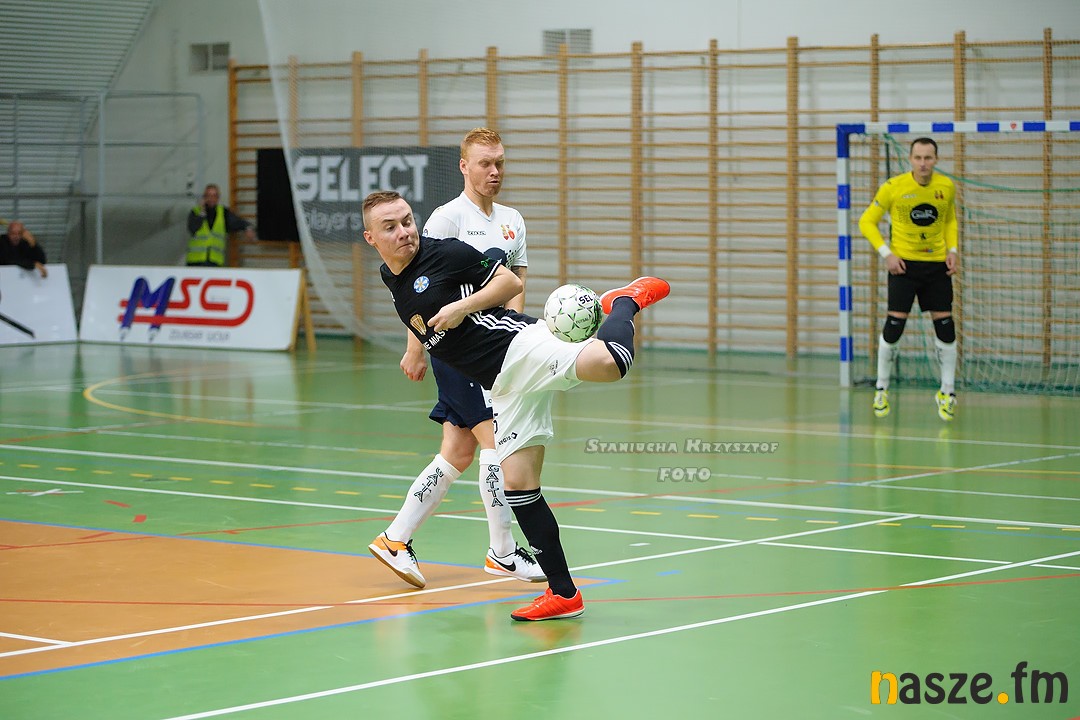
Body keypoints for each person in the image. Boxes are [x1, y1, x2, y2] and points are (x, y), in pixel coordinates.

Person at [362, 188, 669, 621]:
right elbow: (417, 314)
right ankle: (564, 594)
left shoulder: (444, 253)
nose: (404, 232)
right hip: (503, 384)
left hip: (517, 349)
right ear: (371, 238)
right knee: (520, 486)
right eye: (390, 227)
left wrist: (460, 308)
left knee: (612, 362)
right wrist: (416, 347)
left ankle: (623, 302)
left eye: (407, 221)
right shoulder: (390, 274)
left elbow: (510, 282)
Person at [369, 128, 545, 589]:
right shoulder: (446, 219)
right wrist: (416, 349)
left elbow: (515, 278)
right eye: (485, 163)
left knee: (458, 450)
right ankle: (502, 553)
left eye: (500, 162)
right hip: (458, 351)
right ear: (464, 166)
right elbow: (419, 284)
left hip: (495, 346)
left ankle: (395, 538)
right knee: (496, 443)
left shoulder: (512, 220)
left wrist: (514, 337)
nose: (495, 171)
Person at [859, 137, 960, 422]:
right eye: (918, 158)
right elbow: (866, 221)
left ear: (936, 159)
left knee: (945, 326)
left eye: (928, 158)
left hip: (936, 267)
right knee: (894, 326)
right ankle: (881, 388)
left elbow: (949, 220)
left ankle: (947, 391)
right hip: (903, 267)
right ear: (910, 159)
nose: (923, 163)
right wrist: (887, 254)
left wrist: (953, 250)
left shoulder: (946, 186)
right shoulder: (893, 187)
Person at [186, 183, 256, 267]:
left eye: (214, 196)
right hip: (195, 262)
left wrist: (248, 228)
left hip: (214, 262)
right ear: (204, 197)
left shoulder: (223, 213)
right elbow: (192, 228)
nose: (211, 198)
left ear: (218, 198)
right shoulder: (195, 212)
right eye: (208, 195)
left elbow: (238, 222)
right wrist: (202, 213)